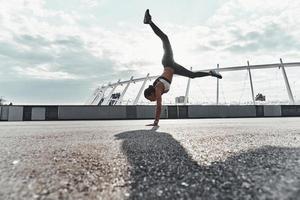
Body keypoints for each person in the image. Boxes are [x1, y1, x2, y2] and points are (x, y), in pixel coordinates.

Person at [143, 9, 222, 126]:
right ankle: (210, 73)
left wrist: (156, 122)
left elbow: (159, 105)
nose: (152, 101)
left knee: (165, 38)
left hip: (168, 63)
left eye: (150, 99)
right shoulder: (159, 89)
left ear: (151, 94)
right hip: (174, 67)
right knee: (192, 75)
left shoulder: (158, 88)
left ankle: (148, 22)